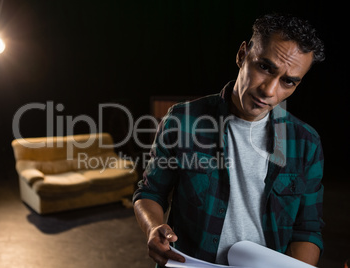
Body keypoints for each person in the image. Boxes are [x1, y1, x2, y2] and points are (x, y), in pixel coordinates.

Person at [133, 13, 325, 267]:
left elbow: (307, 229)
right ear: (242, 54)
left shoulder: (305, 142)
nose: (269, 90)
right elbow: (150, 192)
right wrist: (153, 227)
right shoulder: (183, 120)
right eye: (265, 67)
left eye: (288, 81)